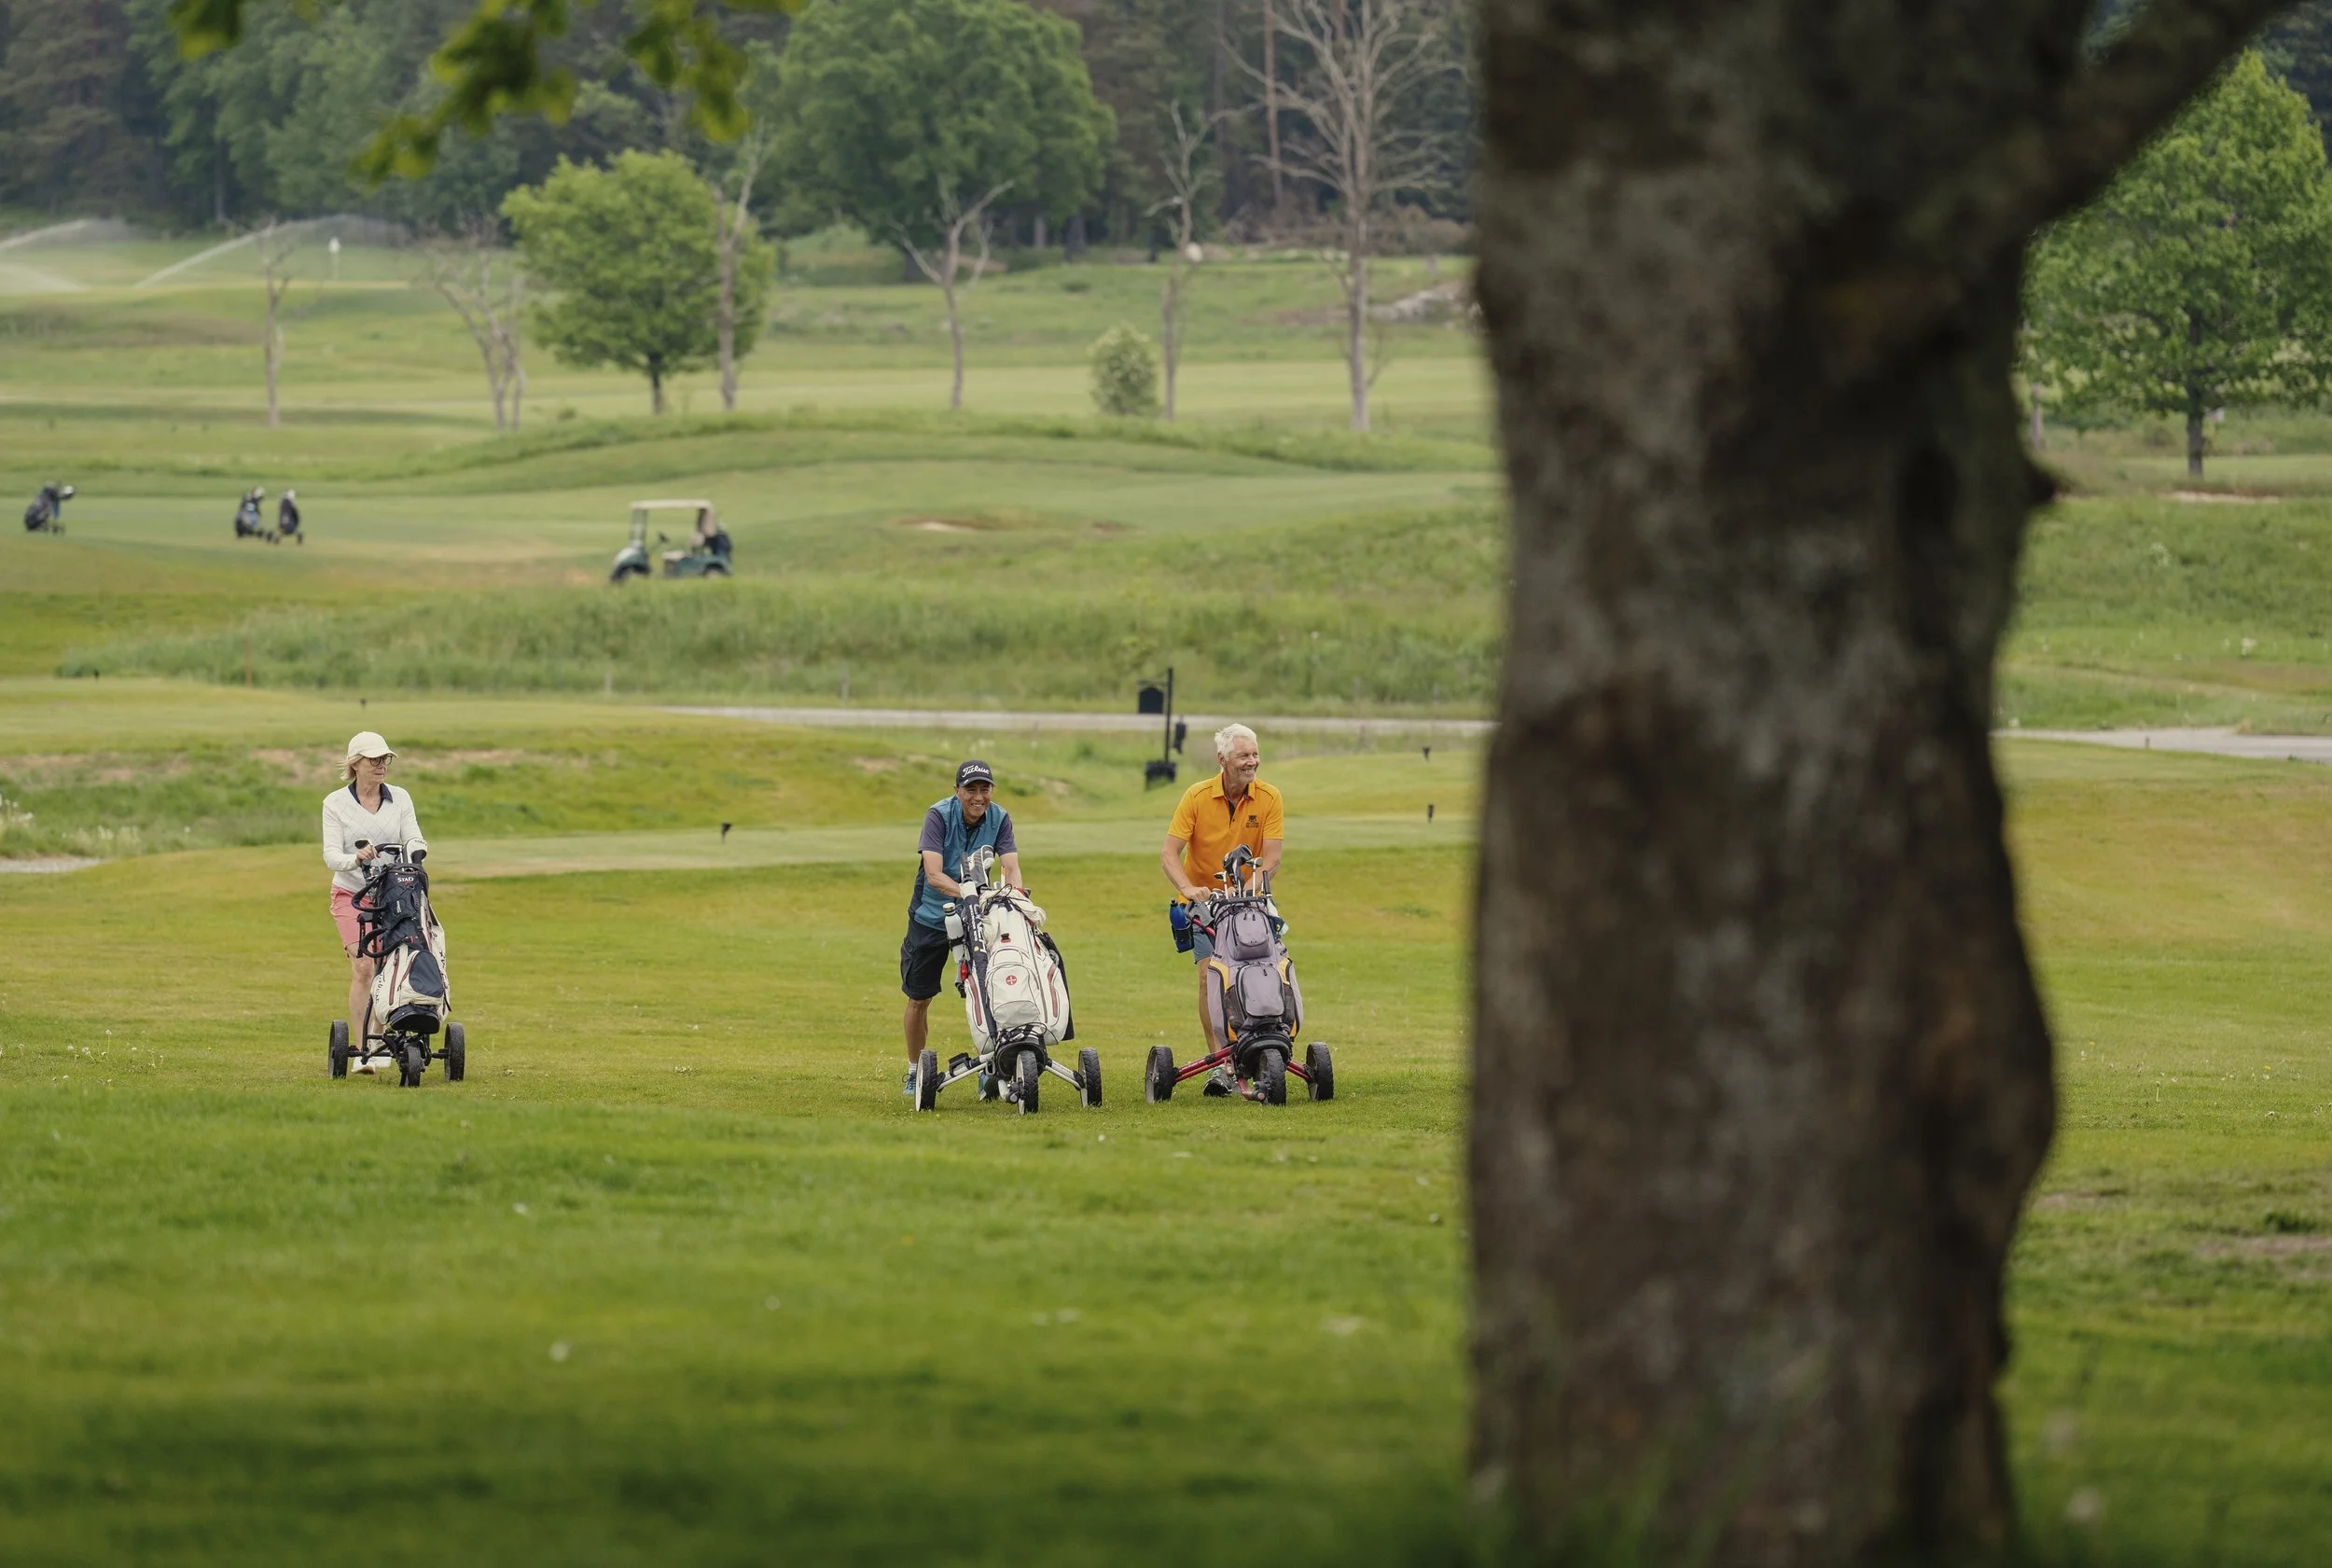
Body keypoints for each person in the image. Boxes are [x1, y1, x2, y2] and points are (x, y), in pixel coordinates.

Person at [1159, 723, 1284, 1095]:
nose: (1252, 761)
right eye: (1244, 755)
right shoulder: (1197, 796)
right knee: (1209, 977)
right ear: (1222, 759)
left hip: (1250, 902)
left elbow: (1272, 859)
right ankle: (1221, 1063)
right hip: (1205, 907)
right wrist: (1188, 889)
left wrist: (1246, 891)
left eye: (1255, 754)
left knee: (1264, 971)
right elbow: (1169, 853)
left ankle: (1261, 1046)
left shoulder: (1270, 797)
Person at [899, 760, 1021, 1095]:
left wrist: (1013, 896)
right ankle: (914, 1071)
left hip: (978, 917)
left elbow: (1011, 867)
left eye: (985, 789)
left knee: (989, 989)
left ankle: (991, 1067)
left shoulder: (1000, 818)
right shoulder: (938, 816)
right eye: (971, 790)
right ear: (957, 791)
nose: (978, 797)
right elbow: (934, 873)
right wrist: (968, 893)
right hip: (930, 918)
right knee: (919, 998)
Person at [322, 732, 428, 1074]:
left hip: (392, 895)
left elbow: (413, 835)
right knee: (364, 966)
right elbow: (331, 855)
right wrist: (355, 858)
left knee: (387, 966)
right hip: (350, 894)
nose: (381, 765)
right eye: (374, 760)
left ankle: (379, 1041)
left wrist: (417, 852)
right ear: (356, 764)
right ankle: (361, 1048)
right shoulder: (335, 803)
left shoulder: (400, 797)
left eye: (385, 759)